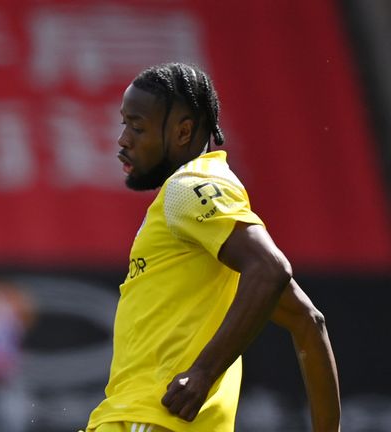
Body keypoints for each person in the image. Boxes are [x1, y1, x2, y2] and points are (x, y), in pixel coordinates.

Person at [83, 63, 340, 432]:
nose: (123, 139)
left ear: (183, 131)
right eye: (124, 124)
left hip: (147, 417)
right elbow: (308, 321)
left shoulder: (187, 188)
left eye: (137, 127)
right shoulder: (212, 225)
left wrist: (203, 371)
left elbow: (270, 269)